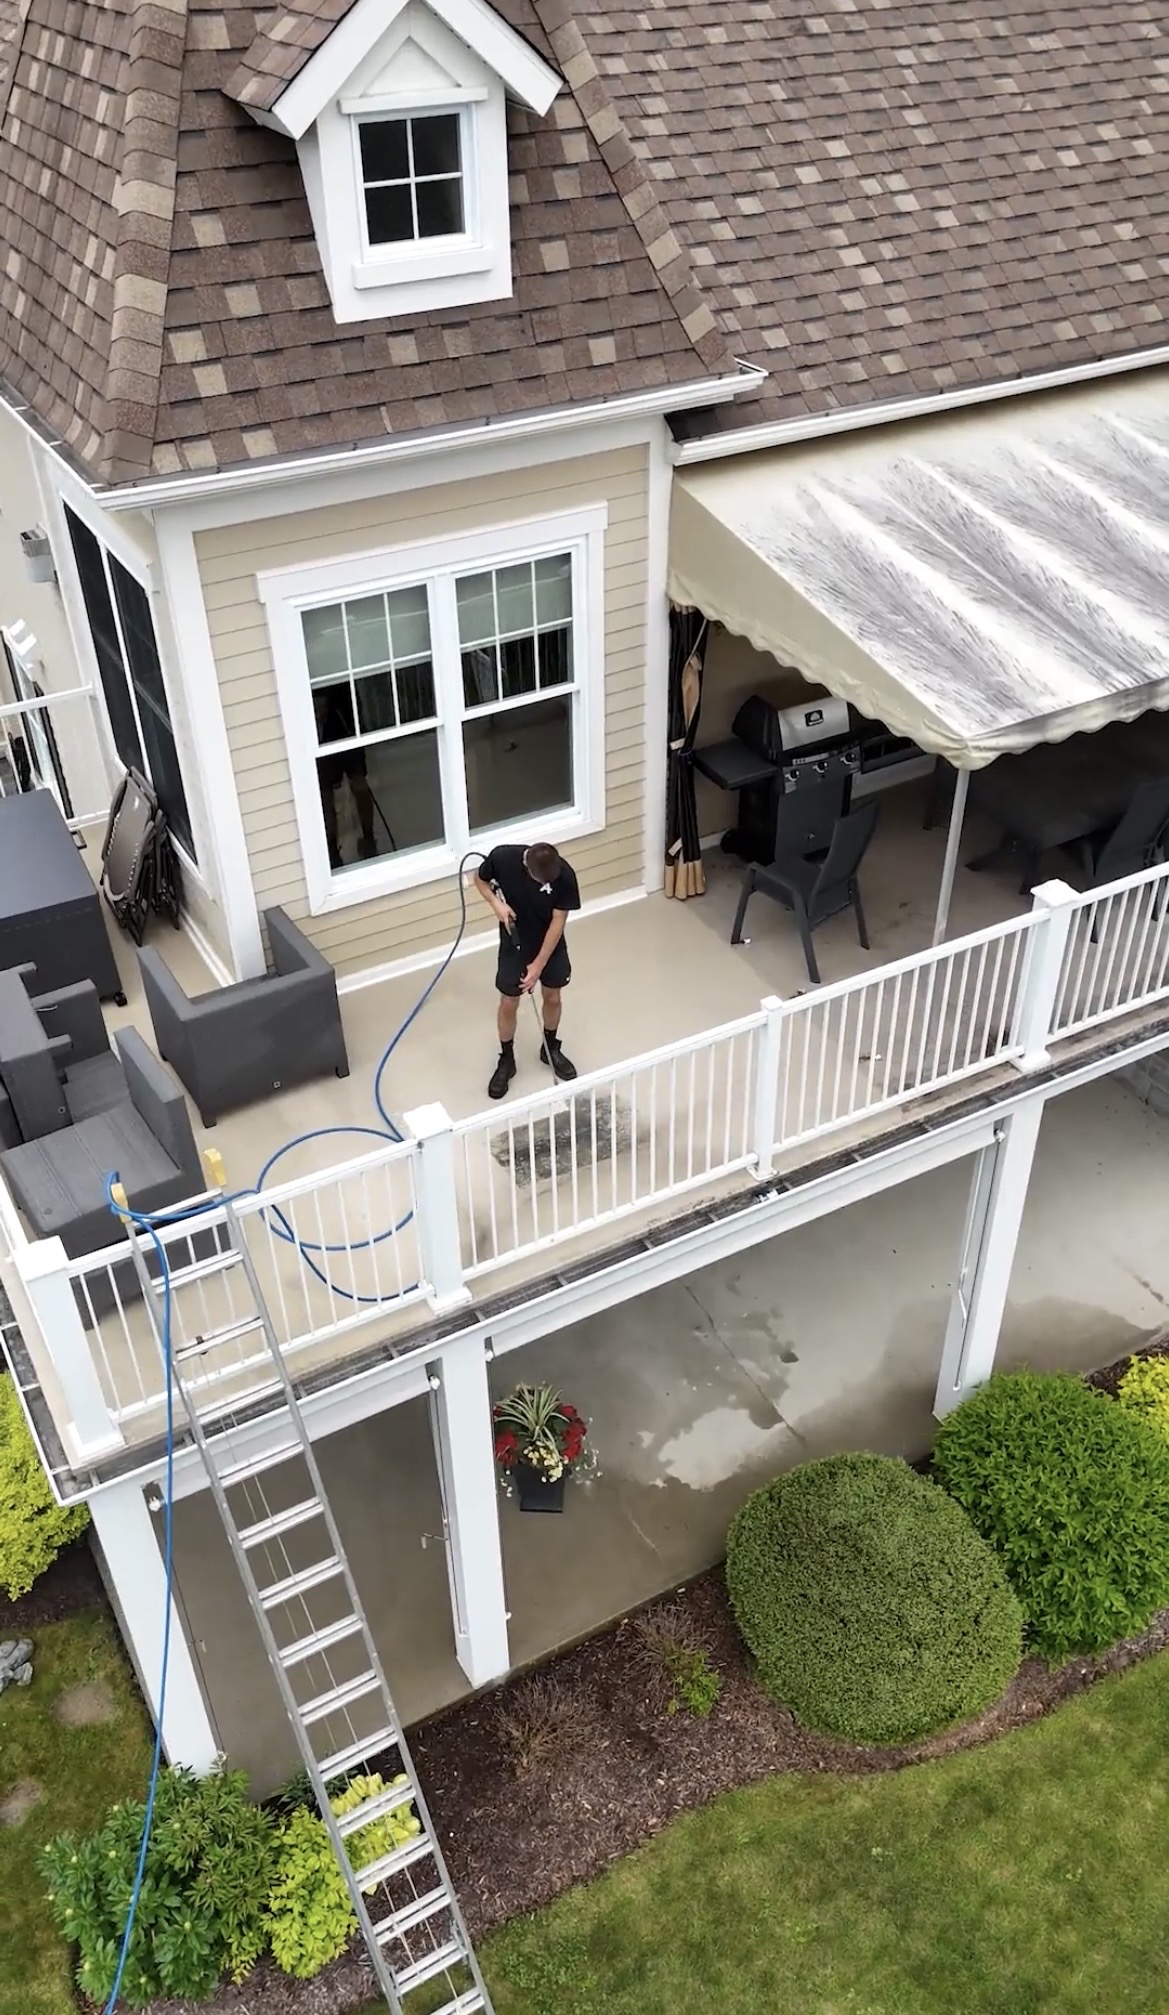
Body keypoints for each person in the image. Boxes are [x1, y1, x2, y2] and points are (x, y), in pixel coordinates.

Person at [474, 841, 581, 1099]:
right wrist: (496, 904)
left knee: (552, 996)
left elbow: (558, 922)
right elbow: (479, 879)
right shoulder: (502, 858)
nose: (546, 885)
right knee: (509, 1001)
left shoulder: (564, 874)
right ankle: (506, 1059)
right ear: (526, 866)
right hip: (516, 939)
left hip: (550, 941)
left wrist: (538, 965)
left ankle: (550, 1047)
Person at [314, 688, 377, 869]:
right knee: (334, 789)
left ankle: (337, 850)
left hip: (341, 721)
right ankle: (360, 842)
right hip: (343, 721)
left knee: (331, 790)